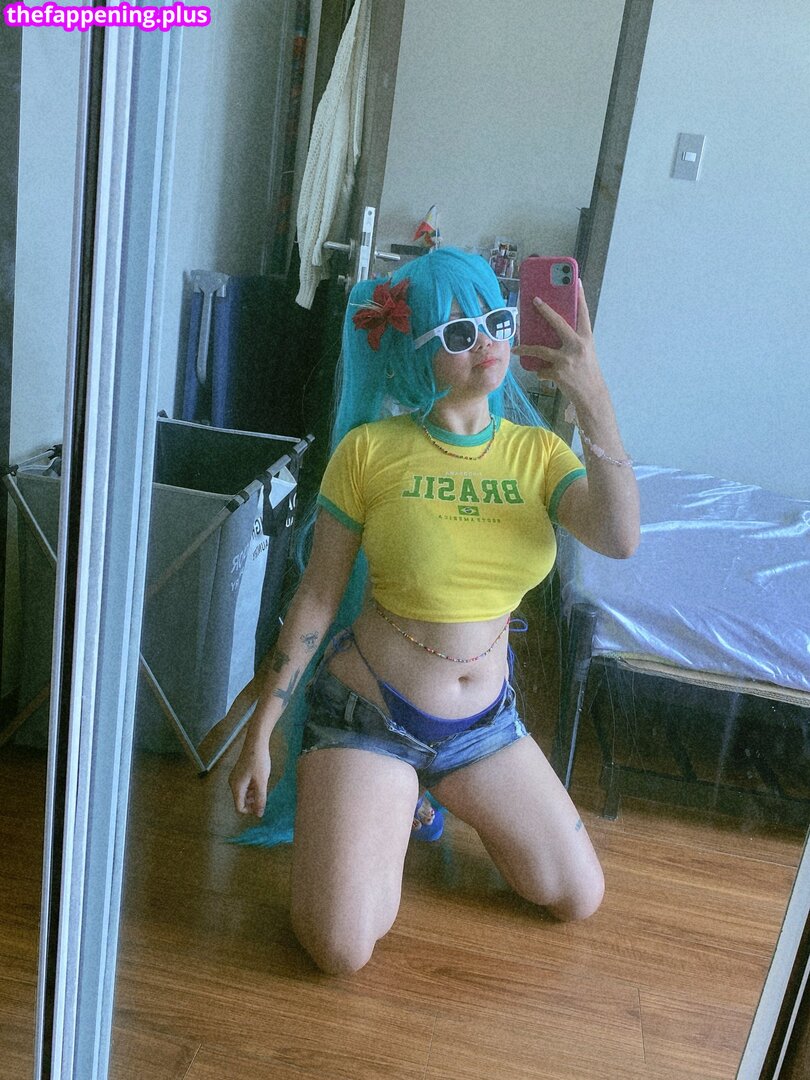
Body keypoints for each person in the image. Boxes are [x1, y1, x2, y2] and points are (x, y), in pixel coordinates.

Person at [228, 247, 639, 975]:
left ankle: (412, 798)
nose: (486, 342)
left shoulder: (539, 455)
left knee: (578, 895)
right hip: (370, 717)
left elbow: (619, 537)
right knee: (341, 949)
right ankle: (390, 795)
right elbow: (318, 596)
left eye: (495, 321)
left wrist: (593, 395)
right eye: (458, 332)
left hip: (484, 726)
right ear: (417, 352)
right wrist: (260, 731)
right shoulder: (369, 452)